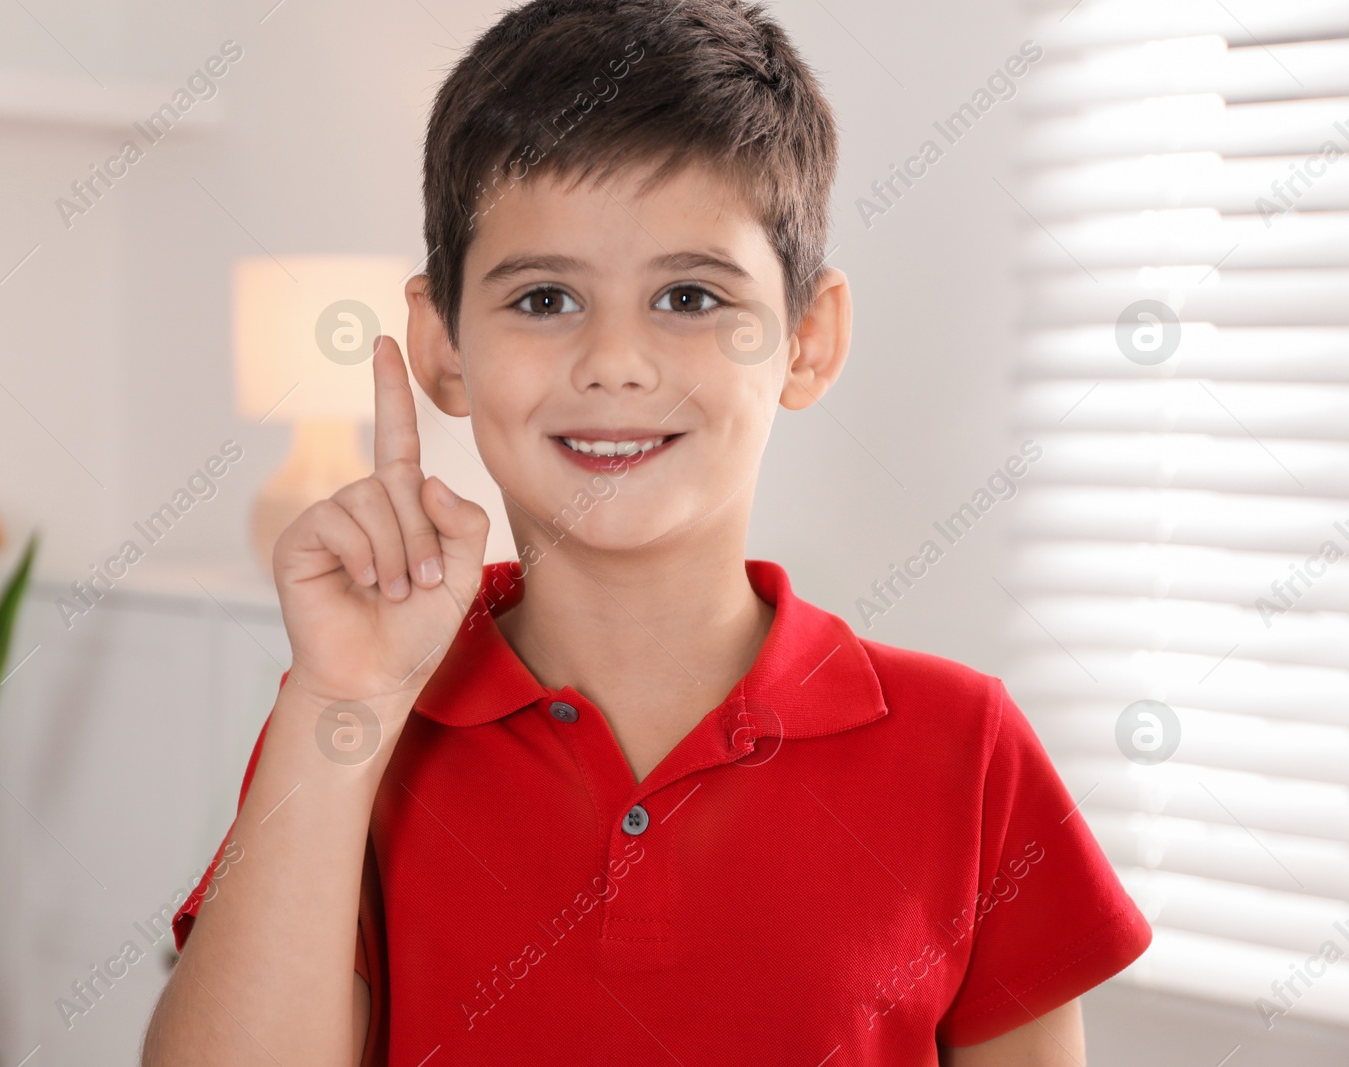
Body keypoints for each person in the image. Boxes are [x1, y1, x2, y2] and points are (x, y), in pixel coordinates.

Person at [142, 1, 1150, 1063]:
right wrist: (339, 705)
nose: (615, 360)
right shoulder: (357, 724)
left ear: (806, 340)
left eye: (686, 294)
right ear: (441, 346)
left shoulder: (968, 750)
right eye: (542, 298)